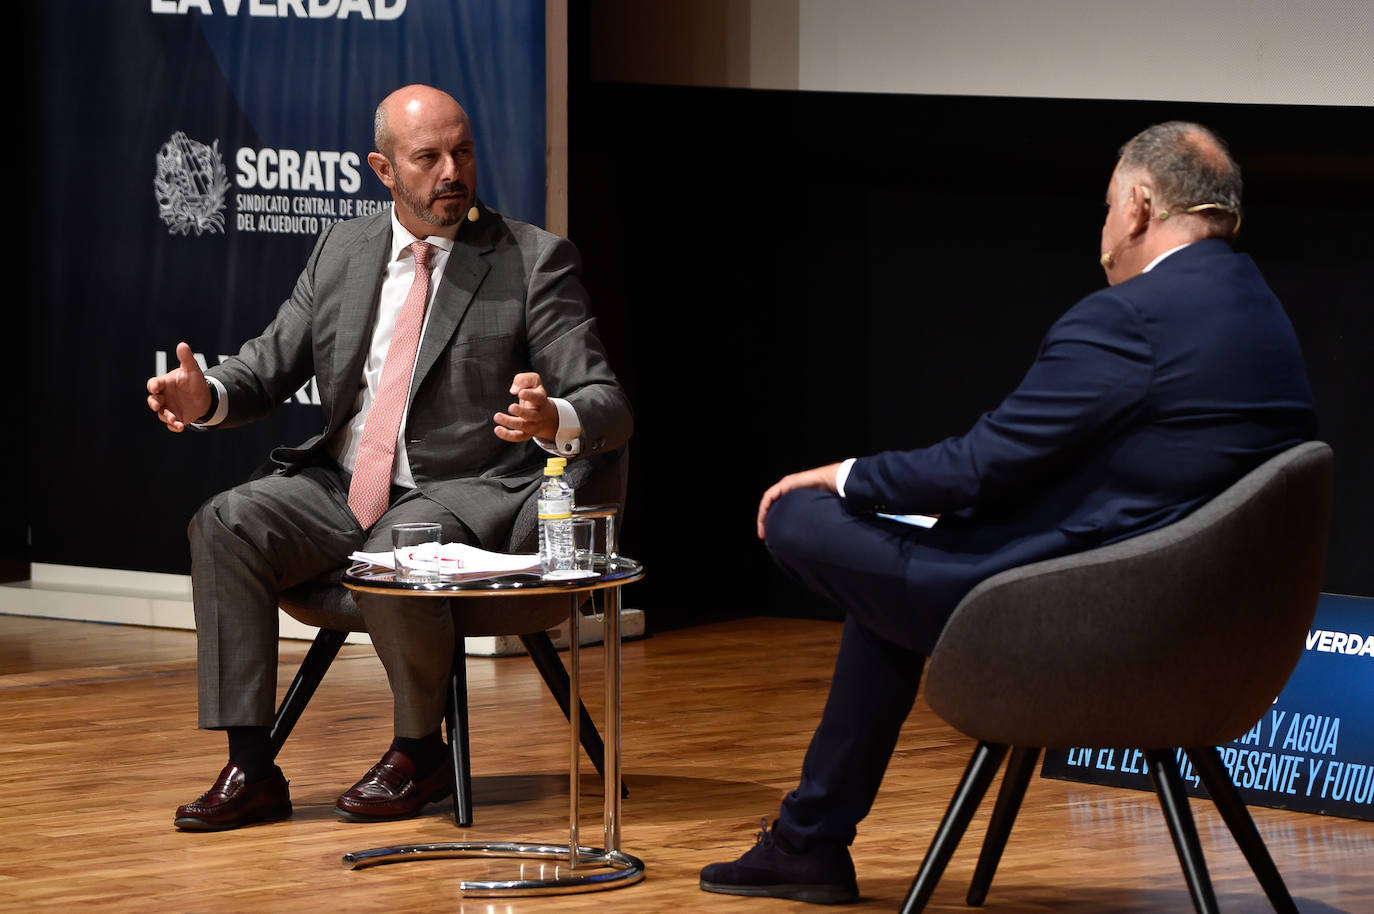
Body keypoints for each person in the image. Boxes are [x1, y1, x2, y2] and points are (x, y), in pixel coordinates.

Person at [699, 121, 1316, 904]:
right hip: (1214, 643)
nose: (1102, 233)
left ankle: (808, 840)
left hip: (1081, 629)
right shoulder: (1261, 312)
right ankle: (806, 841)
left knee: (796, 518)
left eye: (1105, 210)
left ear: (1137, 205)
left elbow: (974, 468)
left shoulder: (1132, 318)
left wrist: (842, 476)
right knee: (883, 583)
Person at [147, 84, 632, 831]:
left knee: (400, 548)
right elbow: (268, 365)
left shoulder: (532, 260)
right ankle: (251, 764)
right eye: (429, 157)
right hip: (344, 486)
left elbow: (607, 402)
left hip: (465, 491)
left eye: (463, 152)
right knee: (228, 523)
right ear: (383, 169)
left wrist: (550, 417)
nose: (452, 172)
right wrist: (205, 395)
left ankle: (418, 750)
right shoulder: (344, 249)